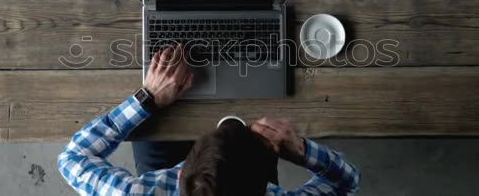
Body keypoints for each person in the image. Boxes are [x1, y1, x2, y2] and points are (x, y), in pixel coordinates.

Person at [58, 44, 360, 195]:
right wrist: (302, 151)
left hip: (163, 167)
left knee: (154, 129)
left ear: (179, 176)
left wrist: (148, 98)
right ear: (266, 186)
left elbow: (72, 158)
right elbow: (345, 181)